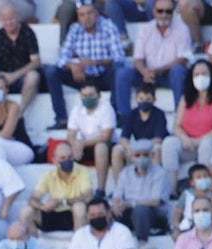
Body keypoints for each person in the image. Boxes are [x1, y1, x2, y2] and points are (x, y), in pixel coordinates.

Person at [44, 2, 125, 130]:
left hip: (102, 76)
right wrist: (72, 65)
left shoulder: (108, 26)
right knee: (51, 71)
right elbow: (62, 57)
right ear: (78, 17)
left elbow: (119, 57)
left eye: (89, 13)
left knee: (118, 70)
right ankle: (61, 119)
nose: (86, 17)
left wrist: (96, 62)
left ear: (97, 14)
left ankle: (115, 114)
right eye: (82, 15)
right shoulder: (75, 29)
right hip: (82, 76)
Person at [160, 60, 212, 191]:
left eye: (204, 73)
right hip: (189, 144)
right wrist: (185, 138)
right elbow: (177, 126)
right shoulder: (186, 98)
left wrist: (200, 140)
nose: (200, 77)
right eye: (196, 74)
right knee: (169, 143)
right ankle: (171, 190)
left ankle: (204, 188)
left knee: (206, 144)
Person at [114, 0, 189, 116]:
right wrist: (144, 72)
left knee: (178, 71)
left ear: (173, 12)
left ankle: (181, 116)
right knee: (122, 74)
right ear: (153, 11)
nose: (164, 15)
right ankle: (124, 117)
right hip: (147, 74)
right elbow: (138, 58)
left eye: (168, 11)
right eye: (160, 11)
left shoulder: (182, 29)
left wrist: (160, 70)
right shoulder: (145, 29)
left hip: (168, 75)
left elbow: (182, 59)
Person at [0, 2, 41, 113]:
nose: (9, 23)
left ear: (17, 16)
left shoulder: (27, 33)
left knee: (33, 76)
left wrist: (15, 75)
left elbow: (36, 62)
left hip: (22, 76)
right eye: (5, 20)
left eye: (11, 19)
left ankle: (19, 113)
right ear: (1, 20)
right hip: (3, 77)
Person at [20, 141, 92, 234]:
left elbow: (88, 196)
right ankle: (34, 246)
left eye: (70, 157)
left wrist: (62, 202)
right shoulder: (48, 175)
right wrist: (43, 206)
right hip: (53, 214)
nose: (67, 160)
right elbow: (32, 199)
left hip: (72, 214)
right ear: (54, 160)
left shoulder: (82, 171)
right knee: (26, 212)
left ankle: (78, 245)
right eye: (62, 158)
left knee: (79, 207)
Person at [111, 138, 171, 243]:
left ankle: (142, 243)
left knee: (140, 210)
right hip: (130, 212)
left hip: (154, 214)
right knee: (107, 209)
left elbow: (156, 201)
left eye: (145, 155)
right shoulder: (125, 173)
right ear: (131, 157)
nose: (141, 158)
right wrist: (117, 204)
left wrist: (130, 204)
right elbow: (117, 195)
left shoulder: (160, 173)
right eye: (137, 155)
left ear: (151, 155)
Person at [111, 83, 169, 183]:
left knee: (156, 149)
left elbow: (158, 138)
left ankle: (154, 185)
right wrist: (130, 148)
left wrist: (139, 148)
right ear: (136, 99)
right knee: (117, 150)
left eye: (148, 99)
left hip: (152, 146)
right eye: (141, 98)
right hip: (136, 148)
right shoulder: (132, 114)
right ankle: (119, 187)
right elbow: (124, 138)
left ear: (154, 99)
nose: (144, 101)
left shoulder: (159, 114)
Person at [66, 84, 116, 197]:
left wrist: (81, 144)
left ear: (98, 96)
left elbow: (105, 136)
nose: (87, 98)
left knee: (100, 147)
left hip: (105, 145)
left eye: (91, 95)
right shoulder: (77, 109)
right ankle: (69, 190)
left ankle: (100, 190)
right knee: (64, 150)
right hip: (83, 145)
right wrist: (75, 145)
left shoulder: (106, 108)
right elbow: (70, 134)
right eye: (84, 95)